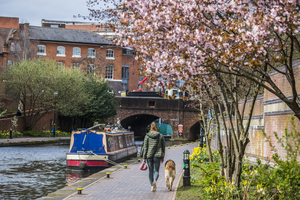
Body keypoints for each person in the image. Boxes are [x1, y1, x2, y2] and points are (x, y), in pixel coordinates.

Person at [141, 122, 165, 192]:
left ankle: (152, 186)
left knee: (150, 171)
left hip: (149, 156)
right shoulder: (160, 136)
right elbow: (163, 147)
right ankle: (155, 181)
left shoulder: (147, 136)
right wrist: (162, 156)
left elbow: (145, 148)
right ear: (156, 128)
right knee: (156, 171)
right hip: (158, 156)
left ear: (150, 128)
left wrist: (144, 158)